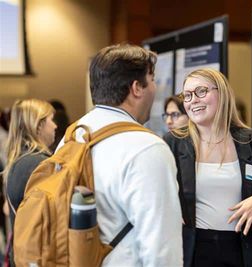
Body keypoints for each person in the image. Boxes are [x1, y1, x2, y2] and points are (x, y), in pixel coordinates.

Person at [58, 44, 182, 266]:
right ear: (136, 88)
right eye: (152, 80)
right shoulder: (148, 148)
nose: (155, 87)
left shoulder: (72, 136)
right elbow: (161, 249)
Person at [164, 68, 252, 267]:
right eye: (188, 95)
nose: (193, 100)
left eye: (201, 91)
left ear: (222, 93)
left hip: (241, 251)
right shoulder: (173, 143)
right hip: (192, 252)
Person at [3, 99, 57, 266]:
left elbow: (7, 209)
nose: (55, 125)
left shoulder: (18, 161)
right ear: (38, 126)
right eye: (51, 119)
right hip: (39, 258)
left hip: (22, 255)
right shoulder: (38, 165)